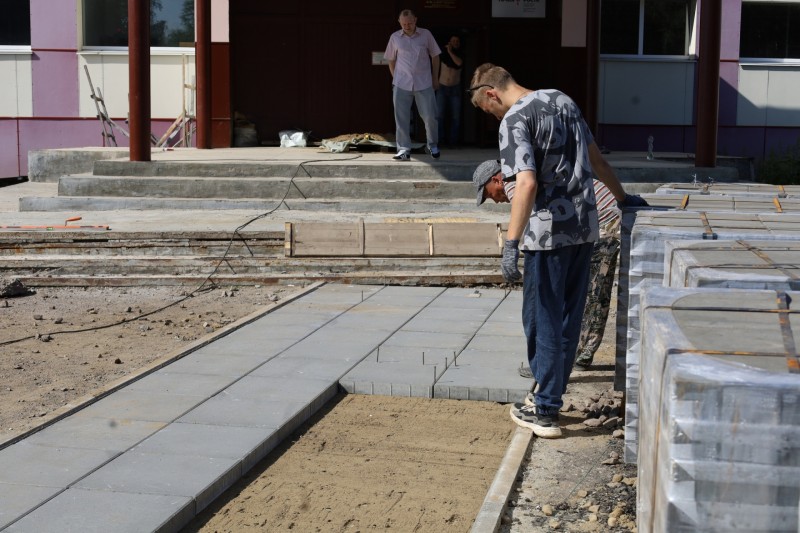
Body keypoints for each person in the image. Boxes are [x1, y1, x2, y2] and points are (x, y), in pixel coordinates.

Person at [468, 64, 648, 438]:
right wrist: (623, 197)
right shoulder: (562, 100)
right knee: (568, 317)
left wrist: (512, 243)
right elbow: (596, 160)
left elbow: (528, 182)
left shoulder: (514, 119)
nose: (493, 117)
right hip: (584, 229)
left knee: (541, 319)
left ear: (491, 93)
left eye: (489, 111)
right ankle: (548, 396)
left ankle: (546, 410)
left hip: (546, 236)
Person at [473, 160, 626, 376]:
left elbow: (535, 225)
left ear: (496, 179)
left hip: (603, 219)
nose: (495, 201)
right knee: (586, 291)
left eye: (489, 194)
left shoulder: (513, 183)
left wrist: (515, 249)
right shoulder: (521, 174)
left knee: (593, 292)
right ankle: (569, 357)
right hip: (593, 215)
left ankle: (574, 358)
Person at [384, 9, 441, 161]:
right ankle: (403, 149)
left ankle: (432, 144)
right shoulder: (395, 37)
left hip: (424, 82)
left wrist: (435, 78)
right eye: (404, 24)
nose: (407, 26)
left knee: (430, 117)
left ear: (415, 20)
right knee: (401, 118)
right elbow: (391, 59)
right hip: (401, 83)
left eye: (409, 23)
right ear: (399, 22)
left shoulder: (426, 34)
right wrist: (395, 78)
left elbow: (435, 56)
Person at [436, 35, 463, 148]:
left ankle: (453, 141)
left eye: (457, 41)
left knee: (455, 116)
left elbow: (458, 63)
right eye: (453, 41)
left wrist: (450, 51)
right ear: (449, 42)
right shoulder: (443, 54)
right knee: (439, 115)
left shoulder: (460, 53)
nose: (455, 43)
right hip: (442, 87)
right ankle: (440, 140)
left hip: (455, 88)